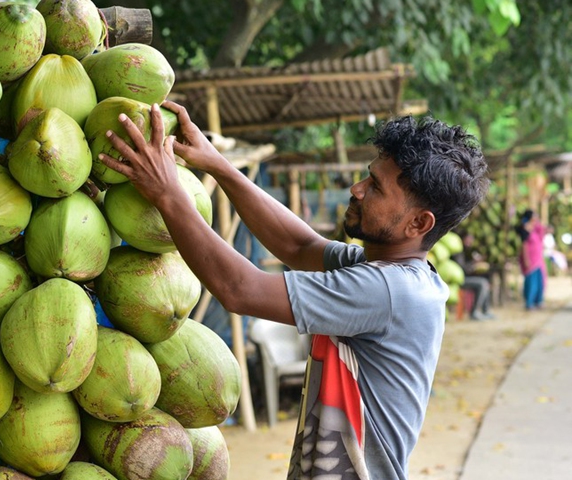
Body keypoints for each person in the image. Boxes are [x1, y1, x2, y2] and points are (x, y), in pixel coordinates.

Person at [101, 102, 489, 480]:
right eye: (367, 176)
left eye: (376, 188)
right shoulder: (389, 271)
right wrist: (218, 164)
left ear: (418, 223)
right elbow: (298, 246)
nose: (357, 189)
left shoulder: (388, 291)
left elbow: (239, 289)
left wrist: (168, 194)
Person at [453, 234, 496, 320]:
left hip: (464, 278)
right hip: (459, 280)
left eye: (471, 239)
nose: (470, 242)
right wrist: (474, 263)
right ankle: (474, 313)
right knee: (482, 283)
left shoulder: (466, 251)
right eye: (468, 239)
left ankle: (485, 311)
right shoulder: (457, 252)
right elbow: (463, 269)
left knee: (485, 282)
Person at [516, 210, 547, 310]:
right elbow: (524, 246)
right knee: (531, 283)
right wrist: (526, 259)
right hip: (530, 260)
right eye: (534, 216)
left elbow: (542, 229)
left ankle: (538, 301)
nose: (536, 217)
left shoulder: (535, 228)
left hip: (538, 260)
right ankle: (529, 303)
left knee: (540, 282)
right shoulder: (524, 229)